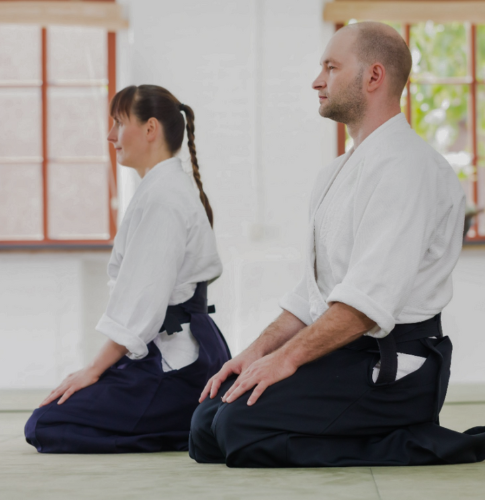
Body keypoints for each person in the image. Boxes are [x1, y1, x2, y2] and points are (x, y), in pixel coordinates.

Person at [189, 22, 485, 467]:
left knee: (237, 428)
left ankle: (418, 439)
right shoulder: (335, 174)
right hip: (342, 354)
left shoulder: (409, 168)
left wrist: (286, 360)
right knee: (205, 424)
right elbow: (313, 297)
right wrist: (255, 354)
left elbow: (365, 306)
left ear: (374, 76)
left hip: (394, 368)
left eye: (331, 67)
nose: (317, 80)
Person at [25, 85, 231, 453]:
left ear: (150, 129)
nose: (111, 135)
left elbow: (143, 304)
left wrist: (93, 370)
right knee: (57, 413)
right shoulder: (164, 189)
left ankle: (189, 422)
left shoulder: (163, 198)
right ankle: (190, 420)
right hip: (183, 358)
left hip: (178, 367)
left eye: (119, 123)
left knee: (45, 424)